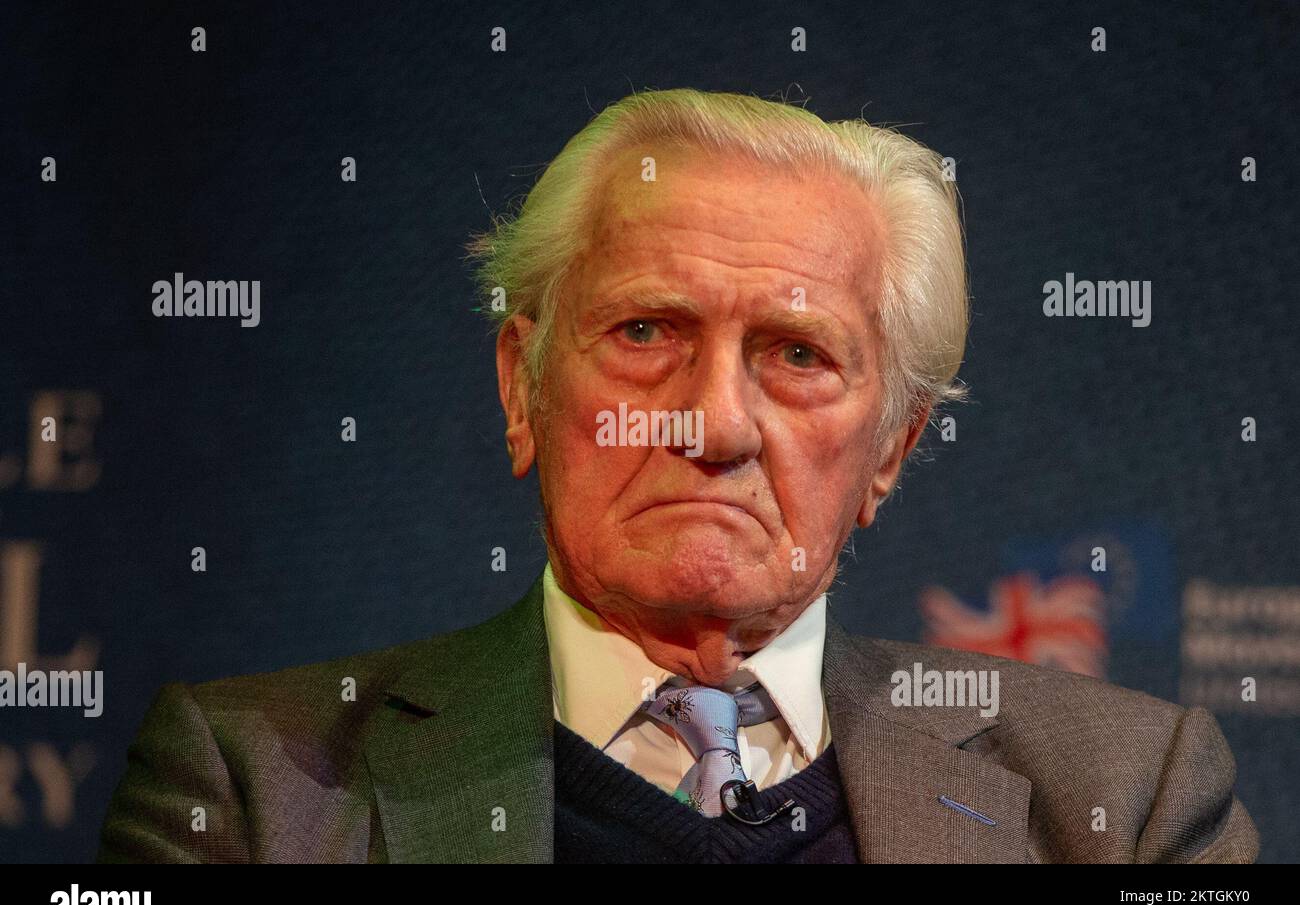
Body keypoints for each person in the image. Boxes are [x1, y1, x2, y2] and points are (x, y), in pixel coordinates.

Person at [98, 89, 1257, 863]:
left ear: (891, 452)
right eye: (647, 333)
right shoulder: (255, 786)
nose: (713, 423)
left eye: (798, 356)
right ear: (523, 387)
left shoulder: (1123, 802)